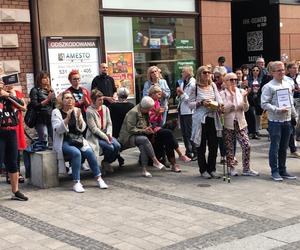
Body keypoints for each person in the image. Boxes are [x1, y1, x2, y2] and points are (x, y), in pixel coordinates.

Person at [51, 90, 108, 192]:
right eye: (67, 98)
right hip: (63, 141)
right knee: (76, 153)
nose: (69, 100)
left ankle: (99, 178)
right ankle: (76, 182)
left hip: (77, 140)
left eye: (71, 98)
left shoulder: (77, 110)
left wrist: (80, 119)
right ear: (62, 100)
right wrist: (67, 118)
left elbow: (82, 129)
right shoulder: (56, 112)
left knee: (89, 152)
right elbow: (57, 130)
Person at [261, 61, 297, 181]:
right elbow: (264, 104)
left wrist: (294, 115)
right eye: (279, 70)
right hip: (275, 121)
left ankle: (283, 170)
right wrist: (277, 109)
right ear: (272, 72)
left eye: (283, 70)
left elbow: (290, 102)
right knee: (275, 146)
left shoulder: (287, 84)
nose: (282, 72)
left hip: (287, 120)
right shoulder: (269, 86)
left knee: (284, 147)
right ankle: (274, 171)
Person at [221, 73, 259, 176]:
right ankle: (232, 168)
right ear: (226, 82)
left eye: (235, 80)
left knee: (246, 145)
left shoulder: (241, 91)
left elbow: (246, 108)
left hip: (241, 123)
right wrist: (233, 102)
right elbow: (223, 109)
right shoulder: (223, 94)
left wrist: (245, 98)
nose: (234, 82)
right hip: (229, 123)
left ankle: (246, 169)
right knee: (230, 148)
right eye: (231, 80)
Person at [189, 66, 223, 179]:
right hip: (200, 120)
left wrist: (217, 105)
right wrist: (201, 103)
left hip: (213, 117)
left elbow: (219, 100)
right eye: (205, 72)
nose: (207, 74)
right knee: (201, 146)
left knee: (213, 145)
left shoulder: (213, 85)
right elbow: (190, 104)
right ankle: (203, 169)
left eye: (209, 72)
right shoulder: (195, 87)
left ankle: (212, 169)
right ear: (199, 74)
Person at [118, 96, 166, 177]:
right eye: (149, 109)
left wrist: (149, 128)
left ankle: (144, 169)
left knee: (143, 144)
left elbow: (147, 124)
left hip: (139, 136)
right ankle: (155, 161)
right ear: (144, 107)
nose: (149, 111)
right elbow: (130, 129)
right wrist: (144, 131)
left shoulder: (145, 111)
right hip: (128, 137)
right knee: (144, 139)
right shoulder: (133, 112)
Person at [148, 85, 191, 172]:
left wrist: (159, 114)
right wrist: (156, 114)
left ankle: (174, 164)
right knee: (168, 134)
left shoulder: (157, 102)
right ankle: (179, 157)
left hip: (157, 127)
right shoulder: (148, 102)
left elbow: (159, 121)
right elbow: (147, 119)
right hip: (149, 128)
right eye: (159, 94)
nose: (160, 96)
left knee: (168, 137)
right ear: (153, 94)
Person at [0, 80, 28, 201]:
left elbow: (23, 107)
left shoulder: (9, 95)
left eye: (1, 82)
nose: (1, 84)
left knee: (13, 162)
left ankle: (15, 191)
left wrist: (9, 95)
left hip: (11, 132)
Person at [86, 89, 121, 174]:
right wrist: (106, 137)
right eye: (99, 100)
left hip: (106, 134)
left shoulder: (105, 108)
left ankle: (106, 162)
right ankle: (105, 163)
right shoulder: (89, 111)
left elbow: (109, 123)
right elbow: (94, 129)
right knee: (110, 147)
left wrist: (109, 134)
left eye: (102, 99)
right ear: (93, 100)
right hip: (95, 136)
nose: (102, 101)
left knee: (117, 146)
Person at [109, 87, 134, 167]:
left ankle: (117, 156)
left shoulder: (112, 106)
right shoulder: (131, 105)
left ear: (118, 95)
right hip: (127, 131)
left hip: (115, 131)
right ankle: (118, 156)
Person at [176, 65, 196, 160]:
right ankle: (188, 151)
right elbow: (180, 97)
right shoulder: (183, 82)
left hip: (189, 111)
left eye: (183, 71)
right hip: (182, 110)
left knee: (190, 132)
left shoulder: (192, 84)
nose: (181, 73)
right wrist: (179, 94)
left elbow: (190, 100)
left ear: (188, 73)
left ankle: (195, 151)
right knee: (184, 132)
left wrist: (182, 93)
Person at [29, 71, 56, 144]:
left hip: (51, 117)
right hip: (40, 118)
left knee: (55, 137)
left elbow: (54, 105)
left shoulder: (51, 90)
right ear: (39, 79)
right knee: (44, 137)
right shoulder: (34, 90)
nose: (47, 79)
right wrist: (47, 100)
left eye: (48, 78)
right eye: (44, 78)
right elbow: (34, 105)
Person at [247, 65, 263, 139]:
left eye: (257, 70)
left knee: (258, 115)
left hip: (259, 99)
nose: (255, 72)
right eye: (253, 70)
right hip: (250, 98)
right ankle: (251, 131)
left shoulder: (261, 79)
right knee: (251, 115)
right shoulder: (248, 79)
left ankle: (256, 131)